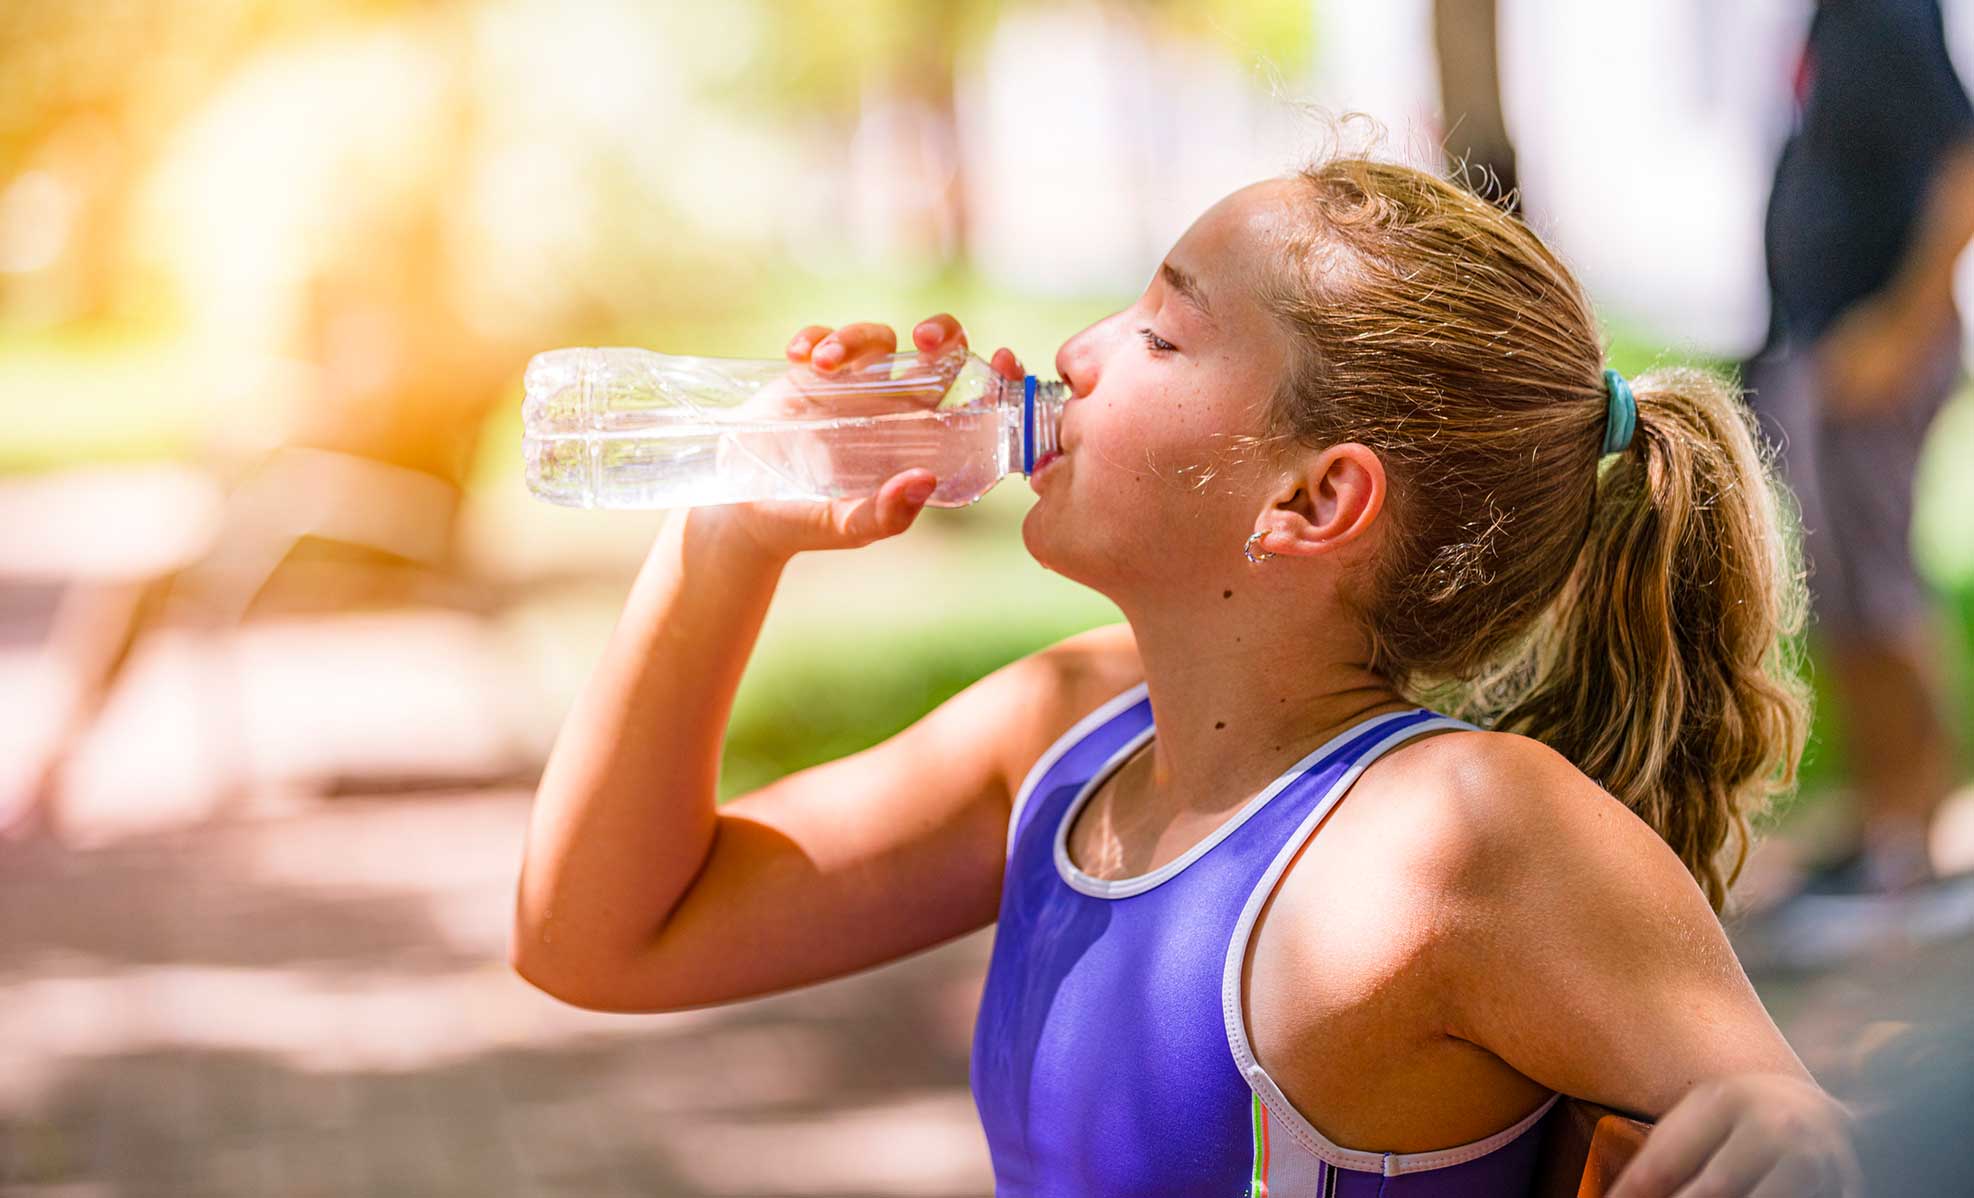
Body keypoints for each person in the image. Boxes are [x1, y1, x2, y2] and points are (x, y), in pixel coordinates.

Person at [512, 155, 1858, 1194]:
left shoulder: (1458, 834)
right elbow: (601, 935)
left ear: (1314, 497)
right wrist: (732, 529)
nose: (1075, 351)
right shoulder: (1067, 736)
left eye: (1159, 333)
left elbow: (1798, 1132)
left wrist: (1792, 1122)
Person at [1744, 0, 1974, 904]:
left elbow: (1963, 163)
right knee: (1838, 591)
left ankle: (1919, 828)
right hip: (1815, 342)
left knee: (1878, 589)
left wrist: (1899, 326)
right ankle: (1886, 818)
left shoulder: (1882, 9)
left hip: (1871, 344)